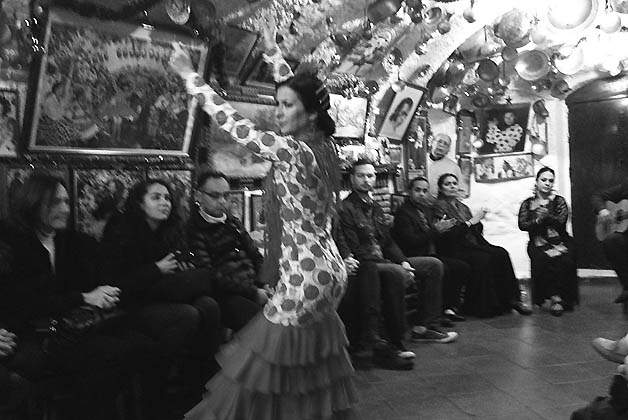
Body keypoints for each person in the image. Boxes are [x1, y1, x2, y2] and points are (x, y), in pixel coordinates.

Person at [169, 17, 358, 419]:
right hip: (326, 270)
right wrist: (273, 54)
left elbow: (234, 124)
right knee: (301, 370)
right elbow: (301, 91)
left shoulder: (292, 151)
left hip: (305, 277)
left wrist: (189, 76)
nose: (278, 112)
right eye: (278, 103)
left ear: (308, 113)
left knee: (261, 372)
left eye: (286, 106)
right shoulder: (322, 145)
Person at [0, 172, 156, 420]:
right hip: (26, 332)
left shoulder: (72, 242)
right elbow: (26, 303)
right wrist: (84, 297)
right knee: (92, 361)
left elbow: (95, 281)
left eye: (66, 201)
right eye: (55, 202)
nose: (65, 209)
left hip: (65, 327)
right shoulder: (10, 242)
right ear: (32, 203)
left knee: (140, 345)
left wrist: (104, 293)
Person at [99, 179, 222, 412]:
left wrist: (184, 267)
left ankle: (197, 383)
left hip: (166, 294)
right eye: (156, 197)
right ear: (140, 203)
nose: (164, 203)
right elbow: (114, 282)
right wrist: (157, 269)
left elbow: (186, 259)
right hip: (131, 303)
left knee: (209, 305)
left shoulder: (172, 229)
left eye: (167, 198)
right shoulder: (122, 229)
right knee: (187, 314)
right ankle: (155, 391)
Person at [337, 159, 458, 348]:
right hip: (367, 263)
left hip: (385, 259)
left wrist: (403, 261)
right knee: (397, 273)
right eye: (361, 176)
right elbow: (356, 248)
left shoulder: (375, 206)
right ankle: (397, 334)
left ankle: (424, 327)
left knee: (434, 265)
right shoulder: (345, 209)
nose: (366, 180)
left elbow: (388, 241)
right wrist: (396, 266)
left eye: (370, 176)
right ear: (352, 178)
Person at [433, 173, 532, 317]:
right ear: (441, 189)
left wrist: (476, 222)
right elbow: (448, 234)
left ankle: (511, 299)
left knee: (501, 253)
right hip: (454, 247)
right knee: (483, 259)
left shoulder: (463, 207)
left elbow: (474, 228)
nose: (452, 186)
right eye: (447, 184)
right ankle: (485, 306)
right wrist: (471, 222)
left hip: (471, 243)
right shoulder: (439, 206)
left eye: (454, 183)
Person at [188, 170, 267, 332]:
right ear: (198, 196)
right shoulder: (193, 229)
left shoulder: (234, 223)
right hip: (226, 296)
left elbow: (255, 256)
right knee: (263, 325)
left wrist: (266, 282)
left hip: (254, 287)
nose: (222, 201)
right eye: (215, 196)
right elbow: (210, 275)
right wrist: (253, 293)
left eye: (226, 195)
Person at [392, 176, 469, 322]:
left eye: (425, 191)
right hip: (411, 256)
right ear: (409, 191)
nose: (421, 194)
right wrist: (436, 230)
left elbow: (433, 233)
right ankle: (435, 313)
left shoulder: (426, 209)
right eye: (417, 190)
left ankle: (449, 307)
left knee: (461, 266)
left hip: (429, 252)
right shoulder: (403, 212)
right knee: (443, 267)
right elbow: (411, 241)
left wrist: (444, 230)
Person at [518, 167, 578, 316]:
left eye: (551, 181)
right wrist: (538, 220)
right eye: (543, 180)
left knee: (565, 259)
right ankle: (547, 296)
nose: (547, 183)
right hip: (538, 241)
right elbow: (522, 225)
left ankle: (559, 298)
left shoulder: (559, 201)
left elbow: (561, 222)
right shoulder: (528, 203)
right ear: (536, 182)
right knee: (541, 258)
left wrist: (548, 216)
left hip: (560, 240)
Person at [592, 180, 628, 304]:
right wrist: (602, 209)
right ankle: (626, 286)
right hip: (624, 235)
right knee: (610, 241)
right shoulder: (625, 185)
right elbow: (598, 196)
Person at [426, 133, 463, 197]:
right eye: (439, 141)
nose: (441, 145)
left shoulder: (453, 167)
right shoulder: (421, 160)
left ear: (448, 149)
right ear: (432, 142)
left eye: (445, 144)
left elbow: (460, 191)